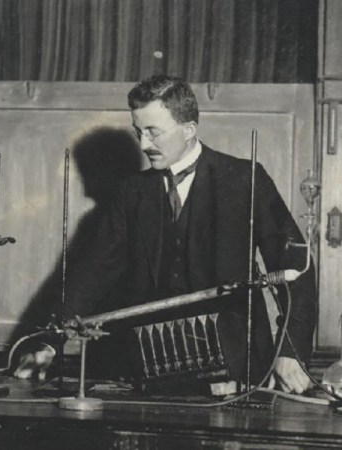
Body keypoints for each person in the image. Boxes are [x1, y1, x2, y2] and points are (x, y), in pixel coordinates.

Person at [22, 75, 317, 394]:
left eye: (153, 132)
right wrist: (50, 342)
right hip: (153, 366)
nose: (144, 144)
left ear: (189, 130)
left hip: (236, 368)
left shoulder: (244, 179)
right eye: (138, 132)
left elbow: (296, 269)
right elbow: (93, 272)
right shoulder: (133, 191)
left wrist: (290, 352)